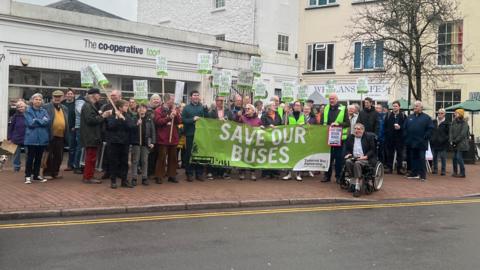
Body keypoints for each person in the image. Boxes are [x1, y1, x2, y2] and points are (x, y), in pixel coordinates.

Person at [80, 88, 112, 184]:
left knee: (92, 157)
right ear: (93, 95)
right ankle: (88, 177)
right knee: (91, 157)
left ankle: (89, 175)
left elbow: (92, 118)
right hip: (90, 135)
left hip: (92, 135)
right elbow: (90, 120)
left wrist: (100, 115)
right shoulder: (87, 106)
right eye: (98, 95)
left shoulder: (90, 105)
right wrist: (103, 116)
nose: (100, 97)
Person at [320, 93, 350, 183]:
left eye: (333, 99)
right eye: (330, 99)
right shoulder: (325, 108)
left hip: (339, 139)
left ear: (337, 99)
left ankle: (338, 177)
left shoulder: (343, 108)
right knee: (328, 157)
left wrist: (338, 124)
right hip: (327, 137)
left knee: (339, 158)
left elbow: (347, 123)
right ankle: (327, 176)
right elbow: (322, 122)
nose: (331, 100)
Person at [106, 99, 135, 189]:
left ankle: (124, 181)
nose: (127, 107)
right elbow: (110, 126)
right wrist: (117, 118)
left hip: (125, 142)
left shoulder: (128, 116)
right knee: (114, 162)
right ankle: (113, 181)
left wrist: (124, 119)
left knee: (124, 163)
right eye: (125, 106)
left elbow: (131, 126)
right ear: (120, 107)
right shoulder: (112, 115)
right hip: (114, 142)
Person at [344, 123, 377, 197]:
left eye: (358, 129)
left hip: (364, 159)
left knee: (357, 163)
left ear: (363, 130)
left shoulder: (368, 137)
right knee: (348, 162)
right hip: (353, 157)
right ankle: (353, 182)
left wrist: (366, 156)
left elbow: (372, 150)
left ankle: (357, 187)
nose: (356, 130)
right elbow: (347, 149)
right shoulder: (350, 137)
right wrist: (348, 154)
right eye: (355, 129)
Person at [154, 94, 181, 184]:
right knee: (161, 157)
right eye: (172, 99)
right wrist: (169, 118)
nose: (173, 101)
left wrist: (175, 114)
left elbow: (179, 121)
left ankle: (172, 175)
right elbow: (158, 122)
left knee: (173, 158)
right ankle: (159, 176)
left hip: (173, 137)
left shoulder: (174, 109)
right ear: (167, 100)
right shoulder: (158, 110)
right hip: (163, 138)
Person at [403, 100, 434, 181]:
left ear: (421, 108)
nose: (415, 107)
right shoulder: (409, 117)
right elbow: (405, 128)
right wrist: (406, 137)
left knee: (421, 159)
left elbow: (430, 129)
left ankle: (422, 176)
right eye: (414, 106)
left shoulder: (427, 118)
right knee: (413, 159)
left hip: (421, 143)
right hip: (412, 142)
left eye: (417, 106)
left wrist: (425, 137)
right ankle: (414, 174)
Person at [182, 90, 208, 181]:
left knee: (199, 154)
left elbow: (207, 119)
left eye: (197, 95)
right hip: (190, 134)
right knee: (189, 153)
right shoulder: (186, 108)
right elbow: (183, 120)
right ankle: (189, 173)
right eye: (194, 95)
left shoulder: (202, 107)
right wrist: (193, 119)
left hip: (200, 134)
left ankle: (199, 173)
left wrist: (205, 109)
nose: (196, 96)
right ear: (190, 97)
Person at [24, 93, 50, 184]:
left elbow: (47, 122)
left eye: (39, 99)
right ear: (32, 100)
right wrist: (41, 120)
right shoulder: (28, 111)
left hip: (42, 139)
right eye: (36, 99)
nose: (38, 101)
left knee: (39, 158)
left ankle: (36, 175)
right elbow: (30, 123)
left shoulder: (44, 111)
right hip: (31, 138)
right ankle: (27, 176)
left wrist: (36, 120)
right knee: (30, 158)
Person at [43, 90, 69, 180]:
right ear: (52, 97)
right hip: (50, 135)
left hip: (61, 135)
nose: (57, 98)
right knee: (49, 155)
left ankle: (55, 172)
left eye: (59, 97)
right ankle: (47, 172)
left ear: (62, 98)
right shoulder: (46, 107)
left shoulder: (65, 108)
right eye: (55, 97)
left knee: (59, 155)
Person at [129, 104, 156, 186]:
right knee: (135, 161)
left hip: (145, 143)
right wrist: (136, 124)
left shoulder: (149, 119)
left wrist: (152, 142)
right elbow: (130, 128)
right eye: (140, 108)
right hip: (136, 142)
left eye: (144, 108)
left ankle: (144, 177)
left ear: (146, 110)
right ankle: (134, 177)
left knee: (144, 161)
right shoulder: (134, 118)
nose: (142, 109)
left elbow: (153, 131)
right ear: (137, 110)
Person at [99, 89, 122, 180]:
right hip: (108, 133)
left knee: (119, 153)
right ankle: (108, 171)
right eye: (111, 95)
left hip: (120, 133)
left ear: (120, 96)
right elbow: (102, 119)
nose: (112, 97)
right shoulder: (106, 106)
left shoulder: (123, 106)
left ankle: (118, 172)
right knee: (108, 154)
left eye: (114, 96)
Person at [207, 96, 232, 179]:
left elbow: (233, 122)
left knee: (223, 154)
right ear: (216, 101)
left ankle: (223, 172)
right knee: (213, 153)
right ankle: (211, 172)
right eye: (219, 100)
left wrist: (227, 121)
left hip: (225, 137)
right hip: (215, 137)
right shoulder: (211, 112)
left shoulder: (228, 111)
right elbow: (209, 123)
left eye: (222, 100)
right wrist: (218, 121)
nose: (220, 102)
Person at [236, 103, 262, 180]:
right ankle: (242, 172)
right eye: (246, 109)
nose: (246, 110)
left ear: (253, 111)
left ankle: (252, 173)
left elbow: (262, 129)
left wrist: (262, 128)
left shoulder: (258, 120)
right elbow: (235, 124)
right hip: (243, 141)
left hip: (253, 141)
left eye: (248, 109)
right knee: (243, 156)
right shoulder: (242, 118)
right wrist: (238, 116)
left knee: (252, 156)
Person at [283, 101, 305, 181]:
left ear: (301, 107)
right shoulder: (287, 115)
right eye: (296, 105)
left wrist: (304, 125)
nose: (298, 107)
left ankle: (298, 174)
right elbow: (282, 126)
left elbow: (307, 126)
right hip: (290, 138)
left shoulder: (303, 115)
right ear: (293, 106)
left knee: (299, 156)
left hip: (299, 139)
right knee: (289, 156)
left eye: (299, 105)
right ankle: (288, 173)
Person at [261, 102, 283, 179]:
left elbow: (281, 124)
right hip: (267, 138)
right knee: (267, 154)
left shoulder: (277, 115)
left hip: (276, 138)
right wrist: (268, 126)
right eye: (273, 105)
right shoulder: (264, 116)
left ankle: (274, 171)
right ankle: (266, 172)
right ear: (269, 107)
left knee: (275, 154)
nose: (275, 106)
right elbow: (262, 126)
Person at [384, 100, 407, 174]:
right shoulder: (388, 115)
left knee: (400, 154)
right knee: (390, 153)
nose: (394, 107)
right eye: (393, 106)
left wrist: (400, 127)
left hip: (400, 138)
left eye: (396, 106)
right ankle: (389, 168)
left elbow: (406, 126)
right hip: (390, 138)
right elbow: (385, 126)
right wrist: (386, 134)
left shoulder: (403, 116)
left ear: (399, 107)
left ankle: (399, 169)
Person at [449, 109, 470, 178]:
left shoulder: (464, 123)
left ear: (461, 114)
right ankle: (455, 172)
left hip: (461, 144)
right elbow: (450, 132)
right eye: (455, 113)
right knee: (454, 158)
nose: (455, 114)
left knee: (459, 157)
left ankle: (462, 173)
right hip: (454, 143)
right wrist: (451, 140)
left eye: (456, 113)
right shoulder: (453, 122)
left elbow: (462, 134)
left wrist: (455, 141)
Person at [7, 100, 27, 172]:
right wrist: (9, 138)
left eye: (22, 106)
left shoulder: (29, 115)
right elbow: (11, 127)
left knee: (28, 154)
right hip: (16, 138)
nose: (20, 108)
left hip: (27, 138)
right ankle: (16, 168)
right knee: (16, 155)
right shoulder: (15, 116)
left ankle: (28, 168)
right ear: (17, 108)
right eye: (19, 107)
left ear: (25, 106)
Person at [147, 94, 163, 179]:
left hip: (160, 135)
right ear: (151, 101)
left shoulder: (163, 109)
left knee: (159, 154)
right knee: (150, 154)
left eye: (157, 99)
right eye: (154, 99)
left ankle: (157, 171)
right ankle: (149, 171)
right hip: (150, 135)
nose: (156, 101)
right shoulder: (147, 110)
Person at [430, 108, 449, 176]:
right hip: (434, 142)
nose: (440, 114)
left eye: (441, 113)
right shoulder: (433, 121)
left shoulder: (447, 123)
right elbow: (431, 131)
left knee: (443, 157)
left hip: (442, 143)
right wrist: (431, 138)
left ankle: (443, 170)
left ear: (444, 114)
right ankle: (435, 169)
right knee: (434, 157)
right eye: (439, 113)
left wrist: (444, 139)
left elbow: (448, 134)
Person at [62, 89, 76, 171]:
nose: (69, 95)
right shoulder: (62, 104)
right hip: (62, 128)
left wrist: (75, 126)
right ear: (65, 95)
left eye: (71, 94)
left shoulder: (76, 104)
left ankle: (70, 164)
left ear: (74, 95)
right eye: (68, 94)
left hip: (71, 129)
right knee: (60, 148)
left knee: (72, 148)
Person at [73, 92, 86, 174]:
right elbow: (82, 112)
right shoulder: (80, 101)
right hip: (80, 127)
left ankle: (80, 165)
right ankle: (76, 165)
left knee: (82, 147)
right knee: (80, 147)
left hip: (82, 127)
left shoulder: (81, 101)